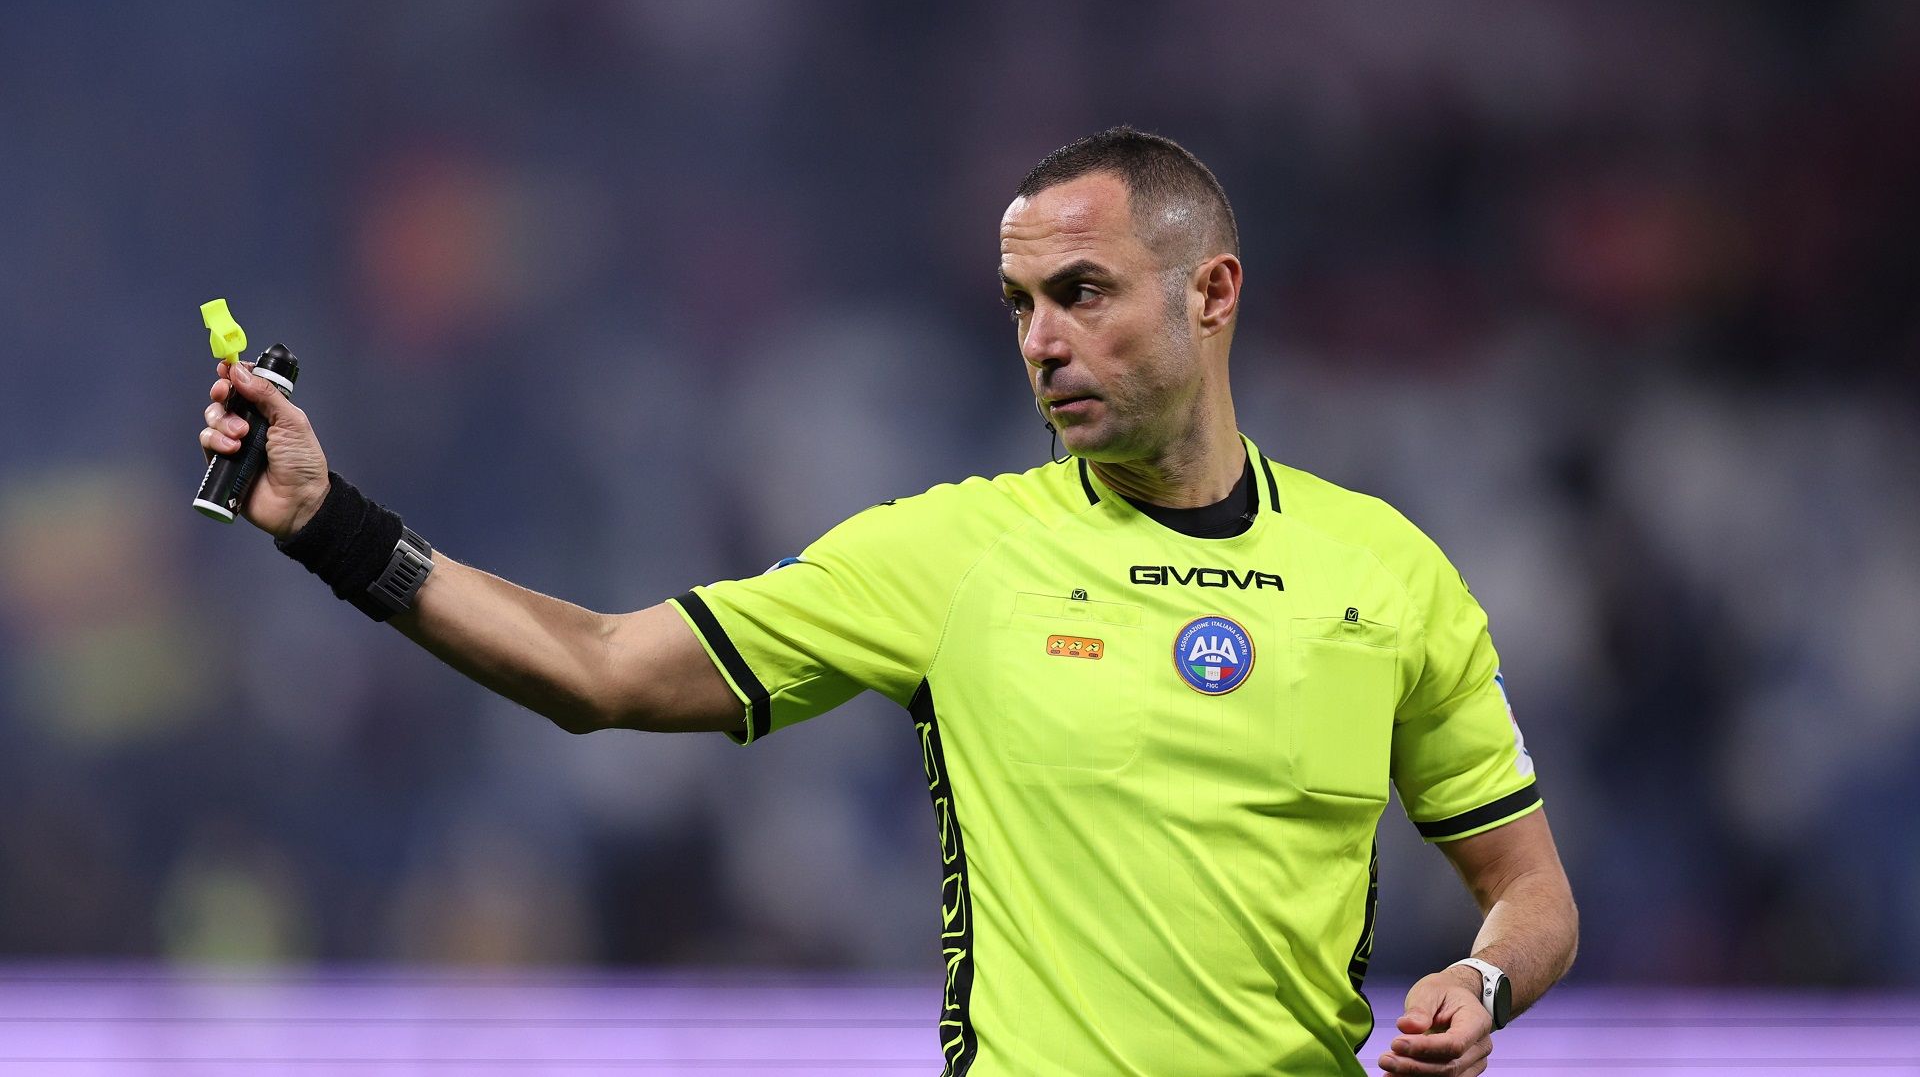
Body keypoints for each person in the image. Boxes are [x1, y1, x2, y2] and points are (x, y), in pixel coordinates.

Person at [198, 127, 1576, 1077]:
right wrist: (333, 527)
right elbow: (607, 672)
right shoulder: (955, 556)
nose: (1041, 341)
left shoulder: (1385, 572)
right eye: (1020, 301)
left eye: (1082, 293)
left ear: (1210, 291)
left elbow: (1529, 894)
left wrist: (1483, 985)